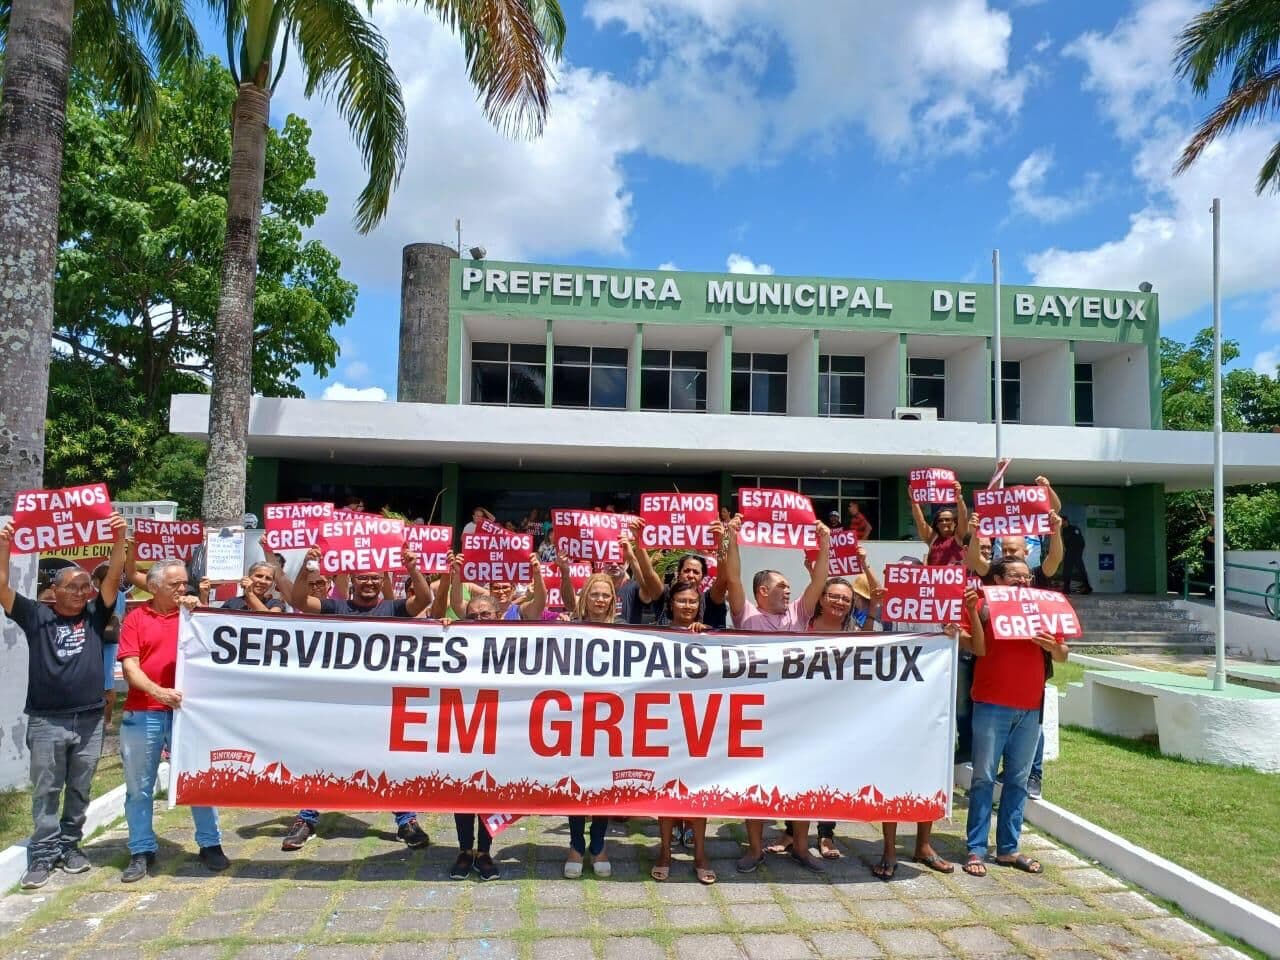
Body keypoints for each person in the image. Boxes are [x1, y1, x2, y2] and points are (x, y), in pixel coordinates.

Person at [0, 515, 127, 889]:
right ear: (53, 591)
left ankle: (71, 846)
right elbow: (2, 586)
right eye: (73, 587)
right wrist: (4, 545)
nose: (82, 592)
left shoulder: (93, 614)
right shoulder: (35, 615)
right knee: (46, 789)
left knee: (80, 788)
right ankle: (43, 853)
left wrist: (119, 538)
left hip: (88, 720)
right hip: (46, 721)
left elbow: (114, 576)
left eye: (86, 586)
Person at [280, 545, 435, 851]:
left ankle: (407, 821)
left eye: (375, 578)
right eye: (363, 578)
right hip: (338, 703)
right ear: (352, 579)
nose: (369, 583)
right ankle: (306, 818)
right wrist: (308, 566)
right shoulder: (335, 608)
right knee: (320, 757)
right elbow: (298, 600)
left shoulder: (392, 609)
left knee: (392, 762)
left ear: (382, 581)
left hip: (382, 703)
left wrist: (413, 568)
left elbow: (426, 600)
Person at [725, 515, 830, 873]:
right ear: (762, 592)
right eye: (781, 586)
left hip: (794, 713)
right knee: (753, 782)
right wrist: (733, 538)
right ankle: (755, 850)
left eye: (789, 586)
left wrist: (824, 543)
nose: (789, 590)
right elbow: (734, 579)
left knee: (801, 780)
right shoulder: (747, 616)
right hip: (755, 714)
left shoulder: (799, 615)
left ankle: (801, 846)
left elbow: (818, 582)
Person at [117, 558, 229, 882]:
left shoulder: (192, 615)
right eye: (175, 584)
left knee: (198, 780)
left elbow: (214, 649)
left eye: (185, 583)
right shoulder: (136, 617)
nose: (183, 589)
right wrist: (158, 692)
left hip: (188, 714)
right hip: (145, 712)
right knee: (139, 787)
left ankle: (210, 844)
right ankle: (141, 849)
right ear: (153, 587)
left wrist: (201, 608)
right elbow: (130, 667)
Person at [962, 559, 1068, 878]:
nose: (1023, 581)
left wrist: (1055, 648)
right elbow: (978, 650)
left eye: (1027, 576)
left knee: (1018, 781)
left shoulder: (1044, 608)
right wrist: (970, 613)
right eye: (1014, 576)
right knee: (983, 778)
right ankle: (976, 848)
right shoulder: (981, 604)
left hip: (1030, 706)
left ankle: (1008, 848)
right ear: (997, 579)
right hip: (991, 703)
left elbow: (1063, 654)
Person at [871, 589, 984, 882]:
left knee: (929, 776)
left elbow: (976, 649)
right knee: (892, 777)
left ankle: (923, 845)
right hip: (894, 708)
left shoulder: (942, 621)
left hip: (932, 711)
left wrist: (956, 629)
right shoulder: (889, 615)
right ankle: (889, 850)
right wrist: (875, 605)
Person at [652, 581, 715, 884]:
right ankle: (664, 852)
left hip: (699, 722)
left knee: (697, 792)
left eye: (693, 601)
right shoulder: (654, 635)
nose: (687, 606)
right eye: (681, 601)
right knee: (666, 791)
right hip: (664, 721)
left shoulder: (708, 635)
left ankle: (700, 854)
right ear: (671, 604)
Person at [563, 572, 620, 878]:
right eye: (595, 594)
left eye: (605, 595)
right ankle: (575, 843)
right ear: (585, 597)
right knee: (577, 781)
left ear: (613, 599)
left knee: (603, 783)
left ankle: (598, 844)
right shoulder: (569, 629)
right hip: (576, 716)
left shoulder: (626, 632)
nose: (600, 600)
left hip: (611, 719)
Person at [448, 594, 504, 882]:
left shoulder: (514, 643)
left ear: (499, 616)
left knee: (489, 790)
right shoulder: (457, 641)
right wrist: (442, 631)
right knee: (463, 788)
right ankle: (464, 850)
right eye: (471, 616)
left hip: (497, 725)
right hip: (463, 723)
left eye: (485, 615)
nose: (478, 620)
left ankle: (484, 851)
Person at [909, 482, 967, 566]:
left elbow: (963, 516)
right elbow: (920, 521)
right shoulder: (932, 538)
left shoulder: (959, 537)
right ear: (937, 524)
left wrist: (959, 499)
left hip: (955, 578)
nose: (944, 522)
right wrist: (914, 500)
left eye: (948, 520)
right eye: (940, 520)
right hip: (935, 578)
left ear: (955, 523)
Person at [221, 561, 285, 612]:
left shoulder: (275, 603)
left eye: (268, 578)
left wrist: (250, 594)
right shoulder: (232, 602)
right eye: (259, 576)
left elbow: (270, 620)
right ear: (248, 577)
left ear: (272, 583)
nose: (263, 581)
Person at [1060, 520, 1091, 595]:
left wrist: (1078, 552)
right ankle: (1066, 589)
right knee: (1067, 570)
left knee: (1081, 570)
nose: (1061, 523)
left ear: (1066, 521)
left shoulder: (1074, 529)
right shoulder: (1063, 530)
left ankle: (1087, 588)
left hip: (1076, 552)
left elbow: (1081, 542)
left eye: (1062, 522)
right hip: (1069, 552)